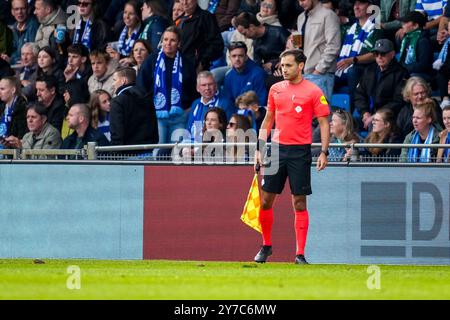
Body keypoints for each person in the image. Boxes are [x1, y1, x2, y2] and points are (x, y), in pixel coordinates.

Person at [254, 49, 330, 265]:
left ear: (300, 66)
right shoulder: (275, 89)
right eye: (282, 65)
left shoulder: (314, 91)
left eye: (288, 65)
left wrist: (324, 152)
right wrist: (259, 149)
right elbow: (267, 120)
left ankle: (299, 254)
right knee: (266, 201)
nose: (283, 69)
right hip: (276, 150)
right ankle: (266, 245)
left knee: (299, 202)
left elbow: (324, 123)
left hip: (300, 152)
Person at [137, 26, 197, 147]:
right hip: (157, 116)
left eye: (172, 40)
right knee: (157, 153)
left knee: (177, 155)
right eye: (165, 39)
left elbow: (193, 90)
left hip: (180, 117)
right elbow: (141, 87)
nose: (168, 43)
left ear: (179, 43)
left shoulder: (187, 63)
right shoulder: (151, 60)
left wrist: (188, 109)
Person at [335, 0, 382, 109]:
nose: (356, 7)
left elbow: (374, 54)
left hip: (365, 69)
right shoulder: (350, 28)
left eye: (360, 3)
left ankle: (353, 112)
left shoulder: (376, 28)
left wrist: (352, 60)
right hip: (344, 67)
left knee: (353, 71)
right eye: (354, 4)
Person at [354, 39, 409, 130]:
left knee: (374, 124)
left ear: (392, 54)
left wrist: (377, 116)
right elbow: (359, 94)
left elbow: (398, 102)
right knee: (345, 123)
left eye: (383, 54)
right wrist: (365, 112)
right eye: (376, 54)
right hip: (368, 116)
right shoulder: (369, 70)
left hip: (389, 118)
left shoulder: (401, 73)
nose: (379, 57)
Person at [297, 0, 341, 102]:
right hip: (303, 73)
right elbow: (298, 45)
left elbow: (334, 46)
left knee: (321, 114)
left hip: (321, 74)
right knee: (304, 114)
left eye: (303, 0)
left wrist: (318, 70)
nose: (300, 3)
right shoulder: (301, 17)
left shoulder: (329, 15)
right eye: (299, 0)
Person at [110, 67, 159, 146]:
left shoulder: (117, 101)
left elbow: (117, 132)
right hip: (148, 152)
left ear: (123, 81)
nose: (113, 84)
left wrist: (114, 153)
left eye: (114, 80)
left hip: (126, 154)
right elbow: (154, 128)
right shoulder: (147, 98)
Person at [174, 0, 224, 71]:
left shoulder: (206, 17)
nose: (185, 2)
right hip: (178, 68)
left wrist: (202, 62)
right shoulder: (178, 20)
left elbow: (217, 44)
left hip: (196, 69)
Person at [186, 71, 235, 142]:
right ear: (197, 88)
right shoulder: (195, 104)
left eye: (210, 84)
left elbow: (229, 131)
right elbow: (189, 128)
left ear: (215, 86)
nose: (207, 88)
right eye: (203, 85)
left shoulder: (225, 103)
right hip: (193, 144)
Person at [223, 41, 268, 108]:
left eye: (240, 56)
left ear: (246, 57)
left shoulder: (258, 74)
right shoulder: (228, 77)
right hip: (236, 115)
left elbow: (262, 101)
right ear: (229, 58)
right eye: (234, 56)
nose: (237, 59)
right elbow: (228, 103)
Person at [398, 11, 433, 81]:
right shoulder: (407, 39)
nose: (402, 25)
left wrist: (403, 67)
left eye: (406, 23)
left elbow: (422, 66)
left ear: (415, 25)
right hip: (408, 71)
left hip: (421, 75)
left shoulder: (423, 41)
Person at [2, 0, 39, 65]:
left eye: (23, 8)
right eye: (16, 9)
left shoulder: (33, 26)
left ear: (28, 10)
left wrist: (12, 60)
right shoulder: (14, 27)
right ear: (12, 12)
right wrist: (12, 59)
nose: (20, 12)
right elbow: (13, 50)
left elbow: (31, 55)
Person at [0, 76, 28, 141]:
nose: (0, 92)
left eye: (2, 89)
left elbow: (22, 136)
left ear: (13, 90)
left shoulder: (22, 108)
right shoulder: (2, 107)